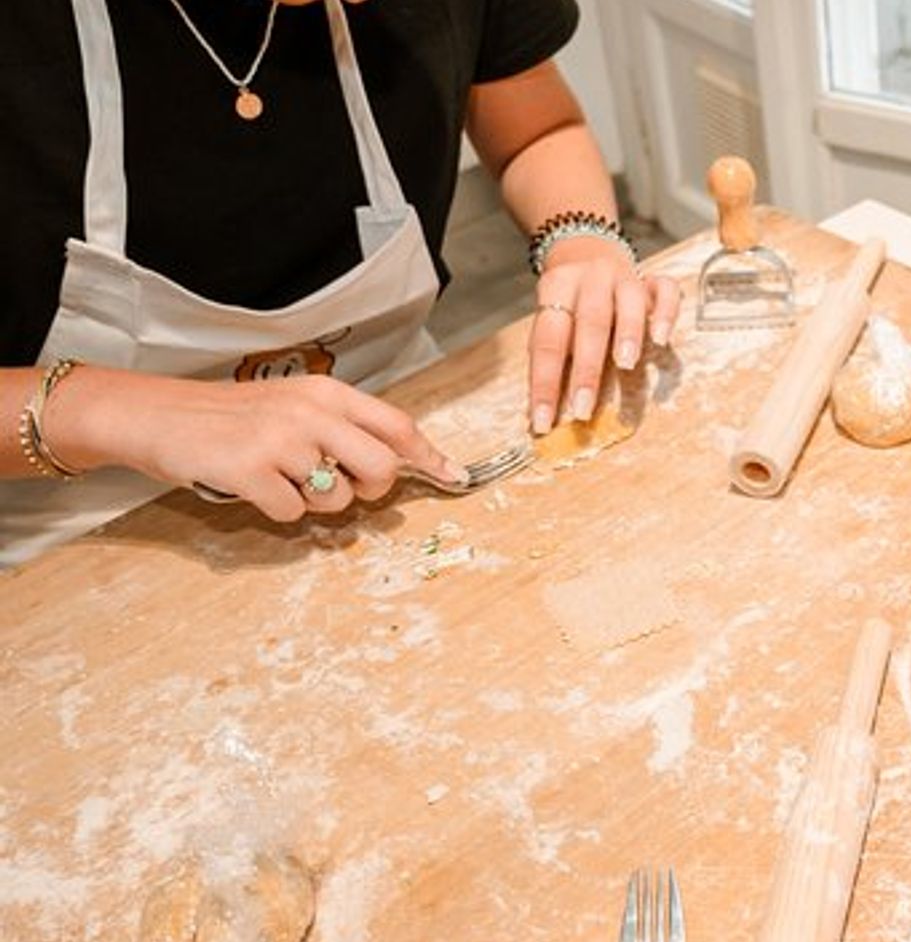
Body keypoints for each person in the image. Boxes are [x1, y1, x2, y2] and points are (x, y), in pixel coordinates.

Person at [0, 0, 679, 564]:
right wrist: (120, 412)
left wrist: (581, 243)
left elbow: (541, 128)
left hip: (392, 462)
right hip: (83, 533)